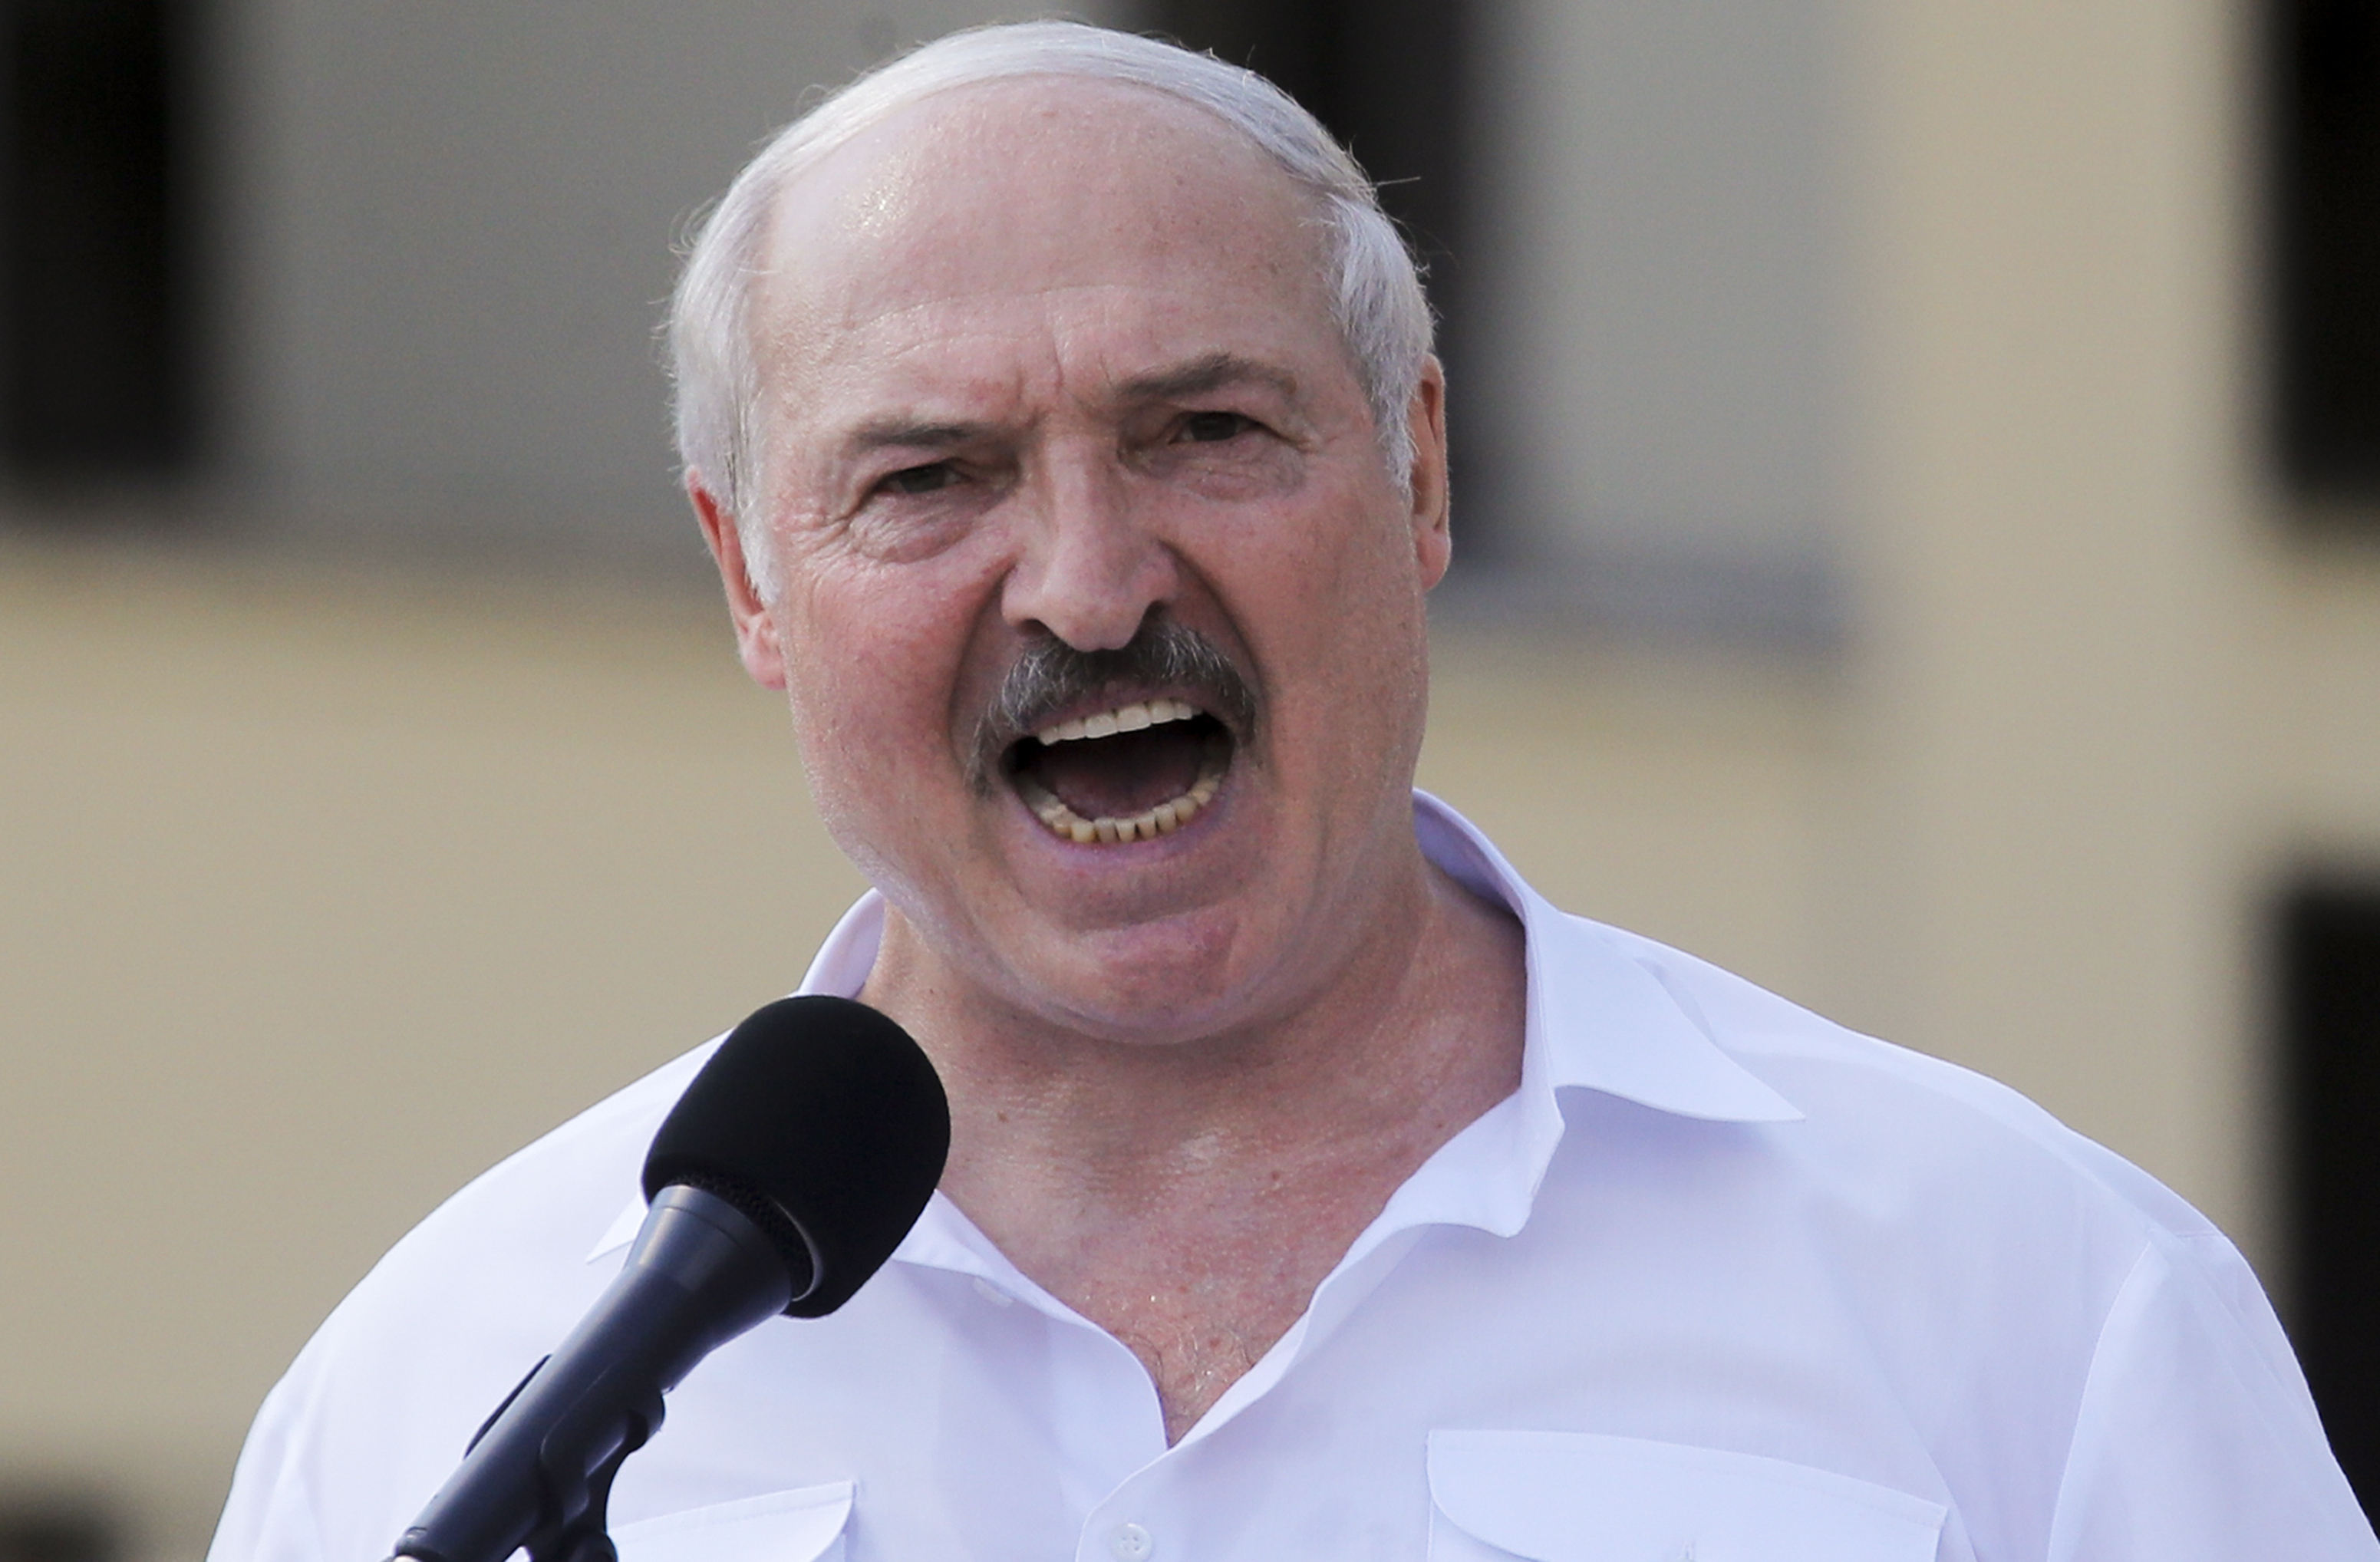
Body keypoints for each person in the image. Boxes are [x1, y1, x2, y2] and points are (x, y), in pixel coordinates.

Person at [208, 21, 2375, 1562]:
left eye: (1206, 431)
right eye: (930, 476)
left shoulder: (2024, 1295)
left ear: (1417, 468)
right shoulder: (451, 1384)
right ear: (752, 579)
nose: (1088, 580)